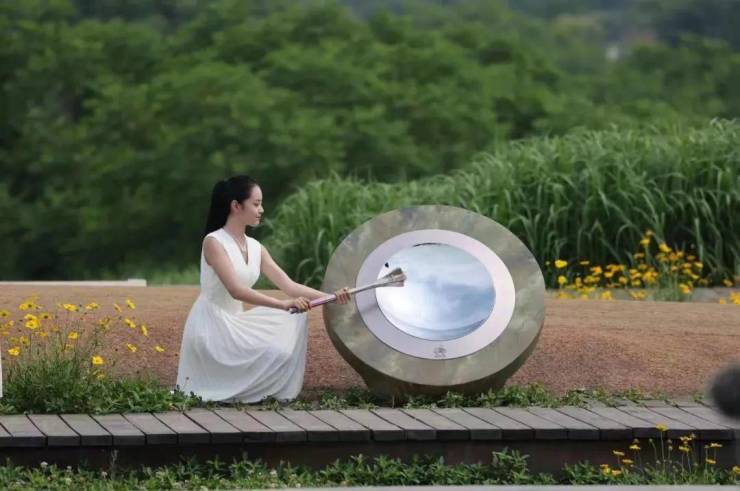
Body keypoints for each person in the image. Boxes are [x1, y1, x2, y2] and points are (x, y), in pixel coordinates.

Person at [176, 175, 351, 403]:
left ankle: (254, 390)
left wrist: (332, 297)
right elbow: (236, 291)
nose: (261, 210)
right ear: (236, 206)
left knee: (293, 324)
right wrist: (282, 305)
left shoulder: (255, 247)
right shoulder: (214, 242)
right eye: (256, 204)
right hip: (212, 327)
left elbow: (289, 286)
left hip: (236, 321)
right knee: (280, 333)